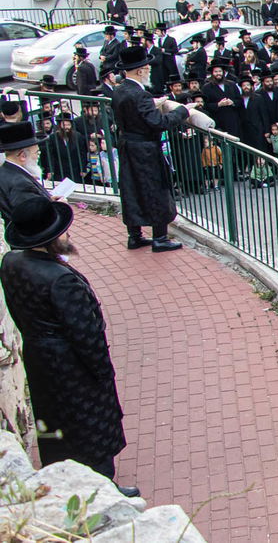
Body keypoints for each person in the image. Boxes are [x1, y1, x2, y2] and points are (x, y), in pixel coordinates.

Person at [0, 199, 138, 497]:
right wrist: (102, 372)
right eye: (62, 231)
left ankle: (61, 480)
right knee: (90, 427)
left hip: (39, 357)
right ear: (49, 239)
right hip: (69, 363)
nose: (68, 234)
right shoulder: (60, 280)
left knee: (54, 422)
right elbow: (85, 333)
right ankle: (103, 490)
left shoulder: (11, 262)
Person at [110, 46, 191, 252]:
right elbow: (159, 123)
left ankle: (135, 236)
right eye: (147, 68)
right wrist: (182, 111)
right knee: (155, 190)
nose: (149, 71)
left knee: (131, 189)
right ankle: (160, 238)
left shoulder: (119, 90)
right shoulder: (140, 94)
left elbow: (136, 114)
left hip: (128, 145)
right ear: (140, 70)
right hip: (145, 150)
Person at [0, 120, 52, 224]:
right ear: (23, 156)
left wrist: (48, 201)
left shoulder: (5, 171)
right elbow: (33, 218)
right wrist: (58, 206)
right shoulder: (20, 183)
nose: (38, 155)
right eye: (37, 152)